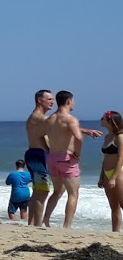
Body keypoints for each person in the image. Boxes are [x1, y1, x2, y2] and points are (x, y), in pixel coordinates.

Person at [43, 90, 104, 229]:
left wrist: (85, 130)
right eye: (73, 101)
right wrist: (77, 153)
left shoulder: (49, 119)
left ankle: (45, 221)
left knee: (57, 191)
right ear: (69, 101)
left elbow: (55, 131)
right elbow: (78, 137)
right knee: (73, 193)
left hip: (52, 157)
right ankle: (67, 226)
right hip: (66, 158)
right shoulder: (71, 119)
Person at [24, 89, 56, 227]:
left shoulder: (39, 117)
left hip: (35, 154)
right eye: (49, 99)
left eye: (53, 99)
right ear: (39, 100)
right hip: (38, 155)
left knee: (38, 191)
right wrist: (84, 131)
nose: (52, 102)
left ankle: (31, 224)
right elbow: (61, 126)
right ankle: (37, 225)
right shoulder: (39, 117)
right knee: (42, 191)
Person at [98, 110, 122, 233]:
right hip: (107, 173)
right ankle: (115, 233)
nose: (100, 119)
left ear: (110, 121)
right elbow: (105, 158)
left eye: (103, 118)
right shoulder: (107, 137)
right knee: (114, 206)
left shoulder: (120, 137)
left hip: (119, 173)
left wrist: (113, 177)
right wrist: (102, 176)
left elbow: (121, 158)